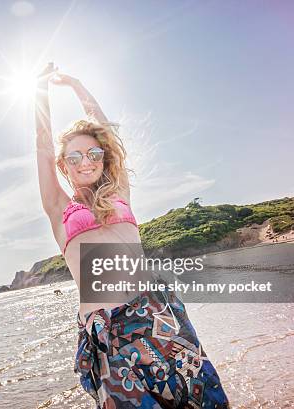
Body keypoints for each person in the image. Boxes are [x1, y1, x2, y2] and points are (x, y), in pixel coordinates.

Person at [35, 62, 230, 408]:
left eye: (94, 154)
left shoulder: (118, 194)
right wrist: (40, 92)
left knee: (198, 399)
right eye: (74, 156)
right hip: (109, 333)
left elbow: (108, 133)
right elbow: (42, 147)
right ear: (63, 165)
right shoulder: (58, 207)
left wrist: (79, 86)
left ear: (103, 157)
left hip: (157, 315)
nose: (85, 161)